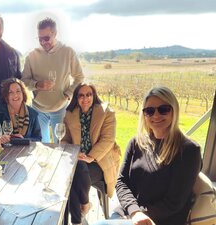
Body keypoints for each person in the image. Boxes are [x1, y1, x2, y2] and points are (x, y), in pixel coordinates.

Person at [92, 86, 202, 225]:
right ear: (144, 115)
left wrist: (139, 215)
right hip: (130, 213)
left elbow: (174, 203)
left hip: (161, 220)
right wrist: (134, 211)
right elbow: (121, 182)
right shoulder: (136, 142)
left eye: (163, 109)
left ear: (174, 111)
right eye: (149, 111)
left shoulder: (188, 150)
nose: (156, 115)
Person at [62, 83, 121, 225]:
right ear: (76, 98)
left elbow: (108, 140)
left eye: (89, 94)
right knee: (72, 175)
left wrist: (90, 157)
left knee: (73, 177)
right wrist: (69, 150)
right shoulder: (70, 114)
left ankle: (76, 218)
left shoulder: (106, 112)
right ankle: (82, 211)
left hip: (100, 160)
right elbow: (65, 139)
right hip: (78, 158)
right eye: (81, 95)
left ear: (94, 96)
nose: (85, 98)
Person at [22, 17, 84, 143]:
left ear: (55, 34)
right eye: (40, 39)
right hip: (38, 109)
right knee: (42, 147)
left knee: (59, 146)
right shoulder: (31, 55)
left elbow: (79, 77)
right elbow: (24, 82)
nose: (43, 42)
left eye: (46, 38)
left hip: (60, 108)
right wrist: (37, 85)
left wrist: (68, 93)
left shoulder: (68, 52)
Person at [0, 78, 42, 143]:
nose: (15, 95)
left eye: (18, 91)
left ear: (23, 93)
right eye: (10, 92)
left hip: (26, 150)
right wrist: (1, 138)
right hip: (5, 149)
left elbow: (38, 138)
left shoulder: (32, 113)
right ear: (6, 96)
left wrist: (22, 140)